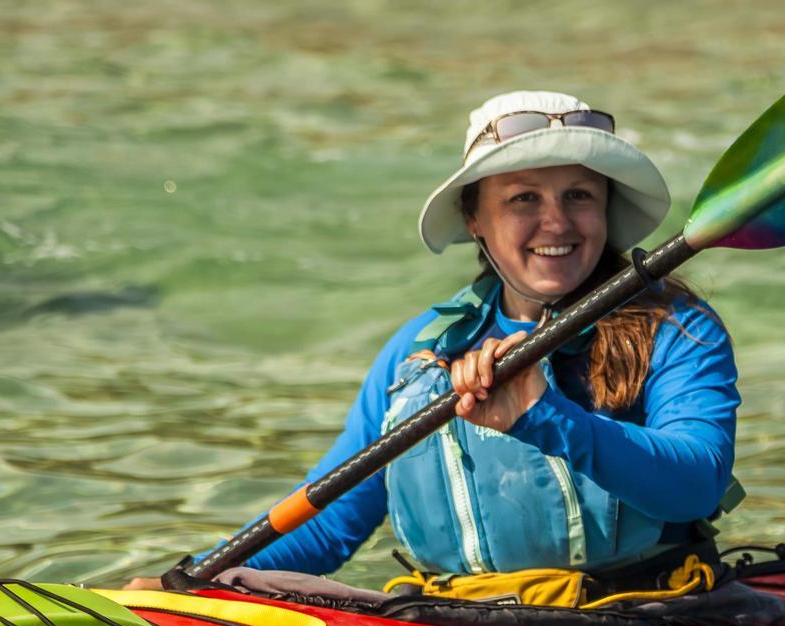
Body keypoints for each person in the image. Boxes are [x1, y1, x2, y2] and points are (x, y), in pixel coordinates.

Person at [128, 90, 740, 590]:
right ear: (475, 219)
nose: (556, 223)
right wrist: (189, 588)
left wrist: (545, 416)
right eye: (524, 198)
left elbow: (697, 482)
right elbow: (332, 521)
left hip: (645, 615)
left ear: (606, 209)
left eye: (578, 196)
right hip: (460, 625)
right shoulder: (419, 353)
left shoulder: (675, 329)